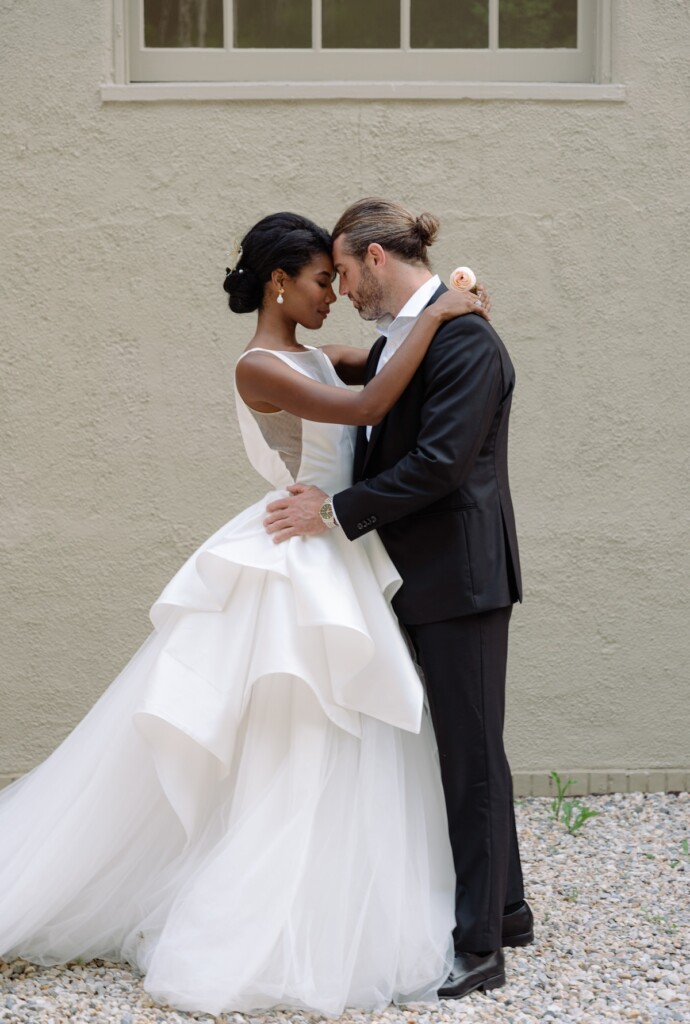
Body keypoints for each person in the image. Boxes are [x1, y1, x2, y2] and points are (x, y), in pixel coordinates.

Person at [0, 213, 488, 1016]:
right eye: (320, 280)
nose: (332, 293)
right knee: (294, 728)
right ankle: (266, 912)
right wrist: (437, 314)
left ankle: (334, 896)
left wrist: (447, 303)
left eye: (337, 278)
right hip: (296, 549)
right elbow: (368, 408)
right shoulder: (259, 367)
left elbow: (387, 361)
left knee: (345, 728)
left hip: (332, 541)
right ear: (278, 283)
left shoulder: (309, 354)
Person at [265, 198, 533, 1000]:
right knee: (467, 743)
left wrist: (334, 511)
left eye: (342, 271)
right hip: (422, 578)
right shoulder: (413, 335)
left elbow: (443, 464)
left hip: (460, 580)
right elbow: (369, 374)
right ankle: (509, 908)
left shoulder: (465, 339)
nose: (340, 287)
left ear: (375, 260)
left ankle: (481, 948)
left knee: (471, 756)